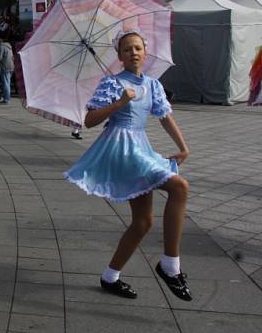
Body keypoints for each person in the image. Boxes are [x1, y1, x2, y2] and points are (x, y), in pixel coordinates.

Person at [64, 31, 192, 301]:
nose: (133, 52)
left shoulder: (153, 85)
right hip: (121, 148)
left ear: (145, 52)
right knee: (179, 187)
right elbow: (89, 120)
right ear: (120, 56)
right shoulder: (112, 83)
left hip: (140, 147)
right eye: (127, 49)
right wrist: (120, 102)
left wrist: (183, 147)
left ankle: (110, 277)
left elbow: (165, 117)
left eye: (137, 48)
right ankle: (170, 266)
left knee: (143, 222)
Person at [0, 37, 14, 104]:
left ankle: (6, 99)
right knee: (7, 83)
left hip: (5, 67)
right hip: (11, 67)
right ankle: (7, 98)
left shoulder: (1, 47)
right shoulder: (9, 47)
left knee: (5, 84)